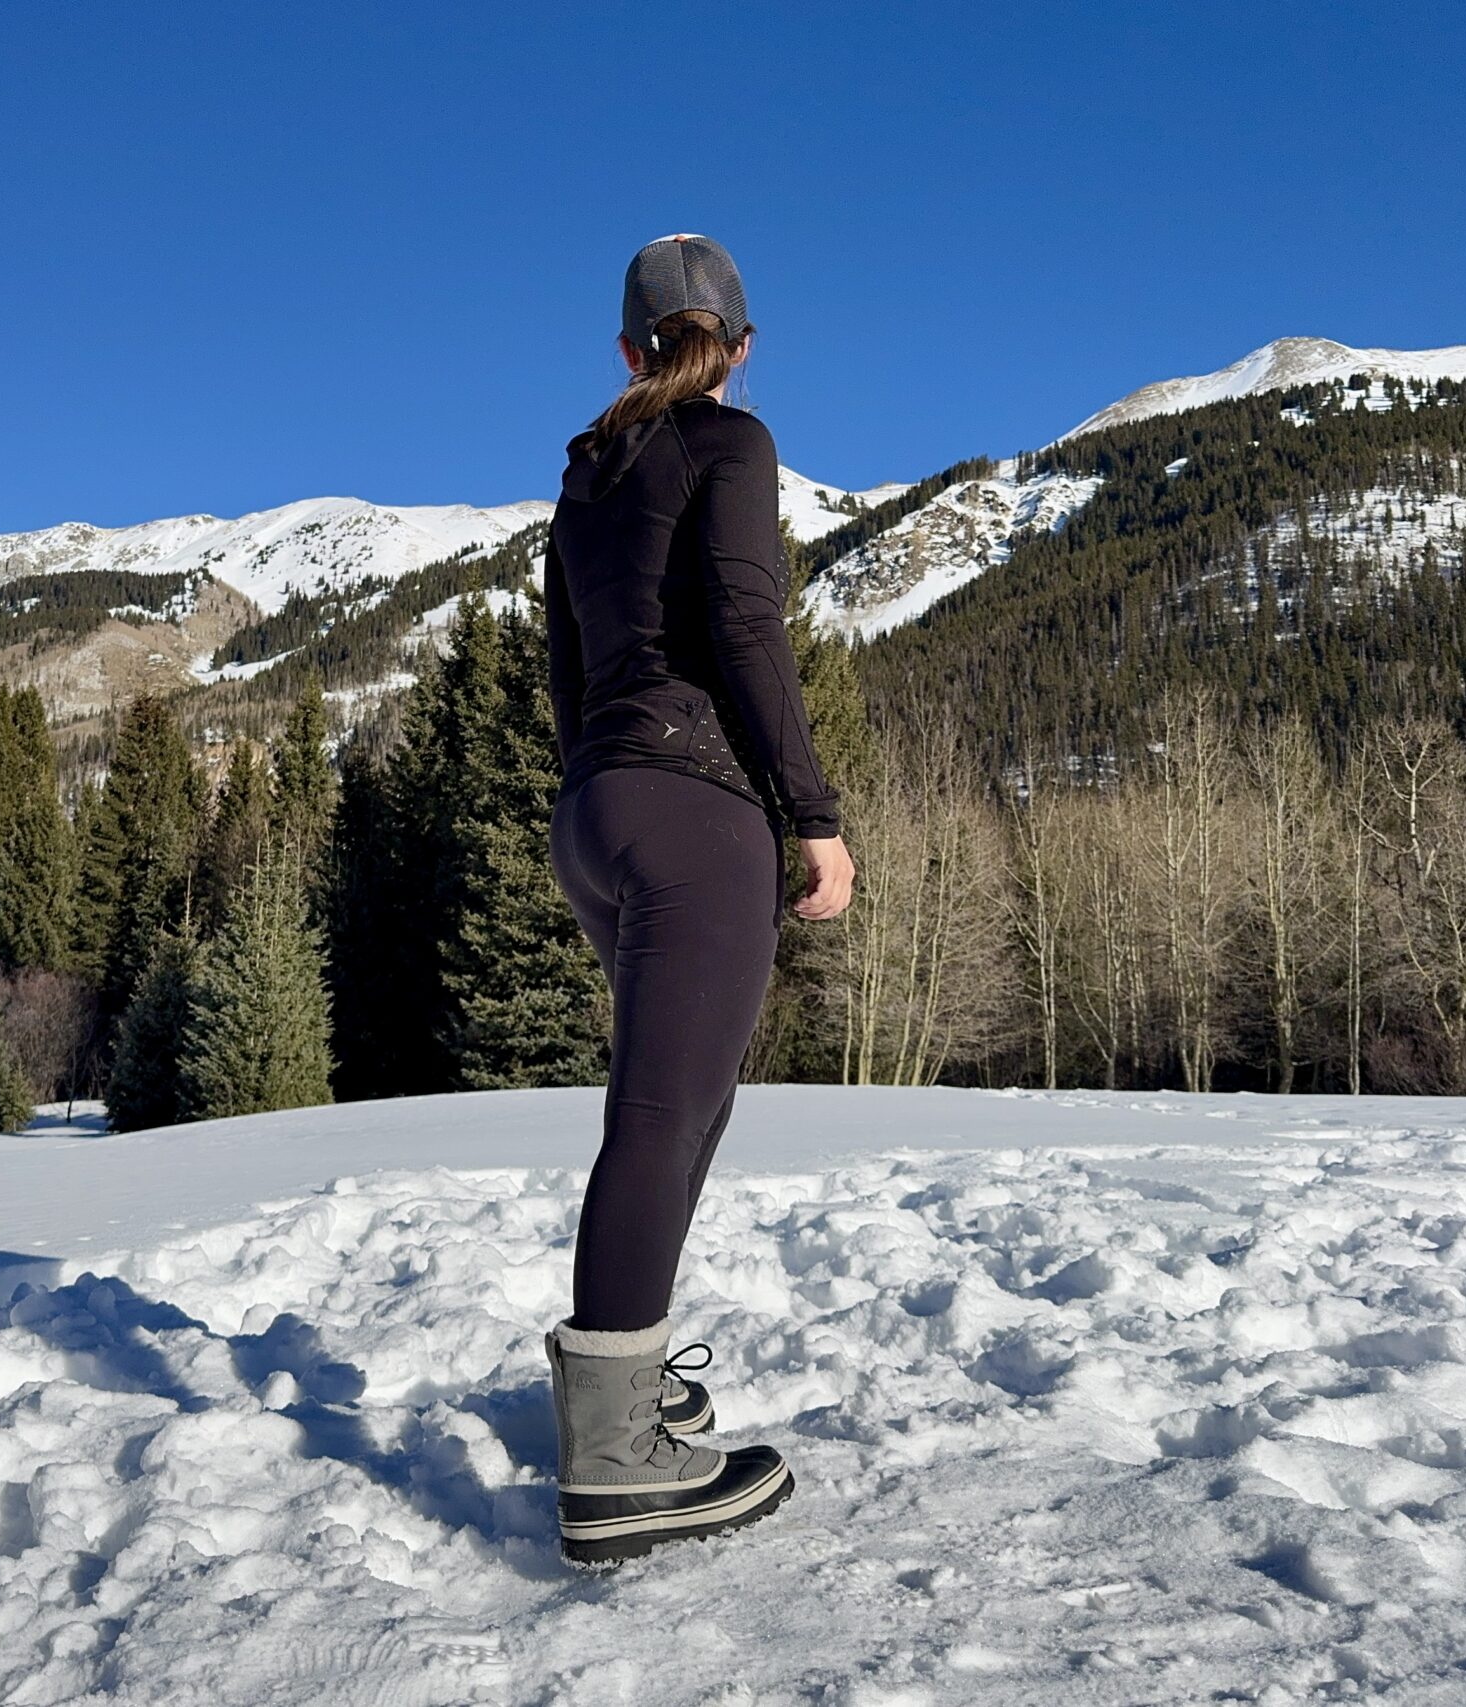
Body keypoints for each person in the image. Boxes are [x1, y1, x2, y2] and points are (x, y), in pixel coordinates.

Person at [539, 233, 855, 1565]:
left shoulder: (585, 478)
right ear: (737, 343)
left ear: (628, 349)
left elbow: (564, 666)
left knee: (685, 1103)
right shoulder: (732, 447)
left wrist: (602, 786)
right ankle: (615, 1463)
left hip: (596, 811)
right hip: (695, 809)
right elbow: (744, 630)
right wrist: (815, 815)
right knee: (666, 1113)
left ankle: (637, 1378)